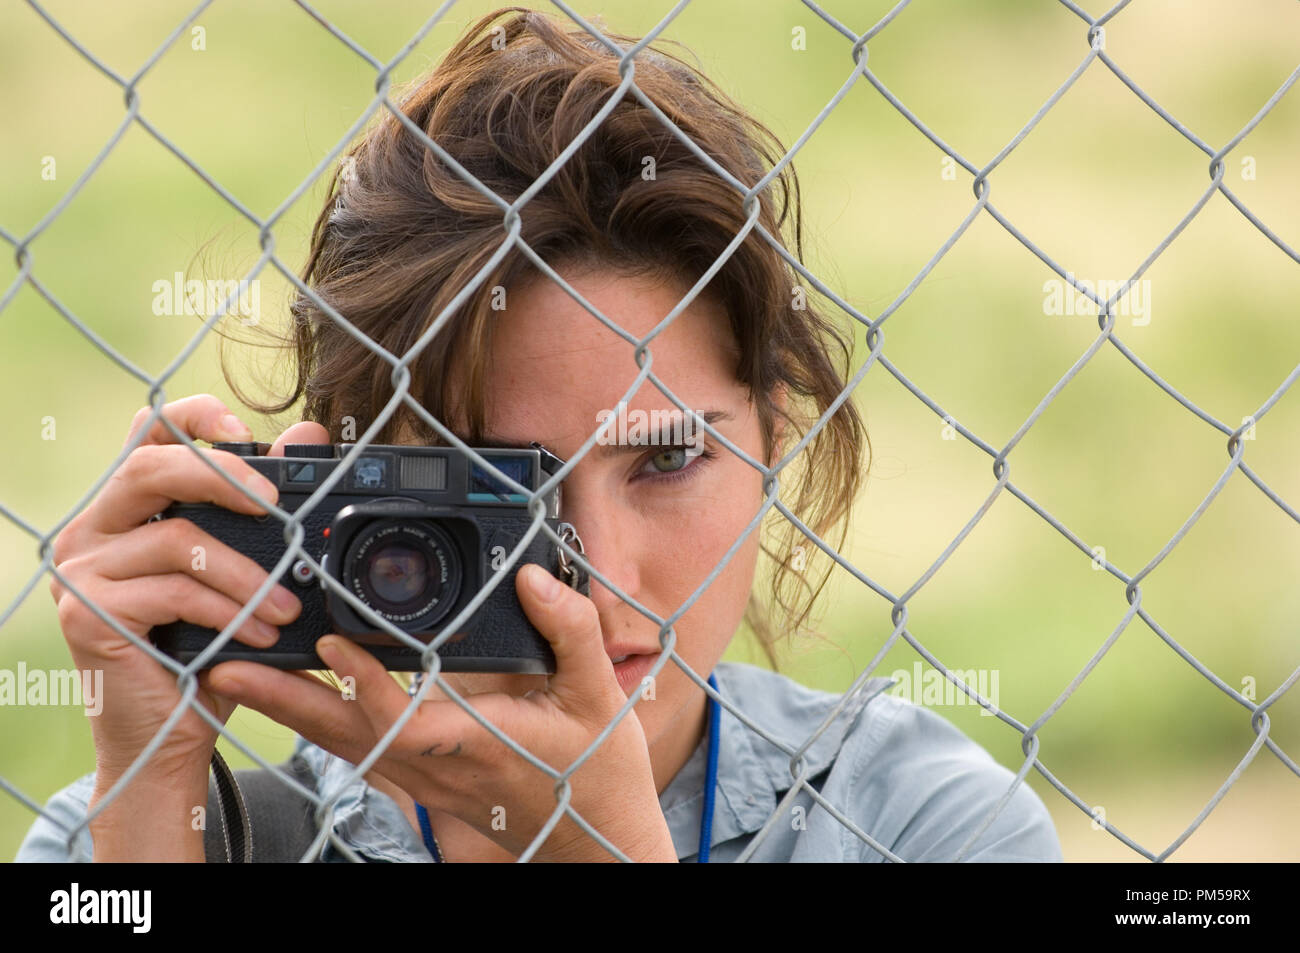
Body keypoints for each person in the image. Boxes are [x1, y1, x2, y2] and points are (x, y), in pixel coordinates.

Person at [16, 6, 1061, 863]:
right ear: (342, 484)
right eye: (500, 487)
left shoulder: (918, 825)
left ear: (773, 438)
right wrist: (153, 789)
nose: (594, 578)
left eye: (667, 459)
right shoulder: (136, 838)